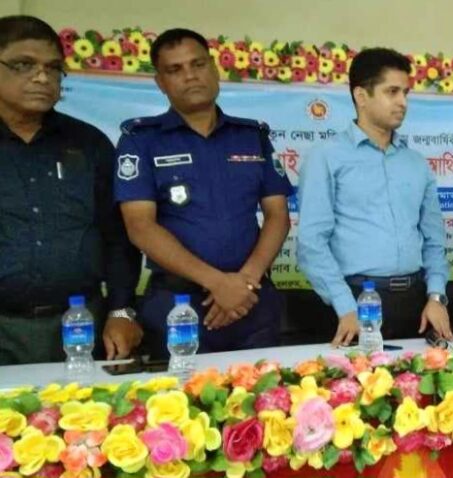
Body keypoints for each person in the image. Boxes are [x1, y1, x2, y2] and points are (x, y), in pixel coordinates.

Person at [115, 28, 293, 357]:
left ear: (214, 68)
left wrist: (244, 283)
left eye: (198, 64)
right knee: (182, 392)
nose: (190, 76)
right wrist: (218, 283)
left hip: (253, 300)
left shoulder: (251, 136)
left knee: (266, 389)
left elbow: (278, 215)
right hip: (178, 306)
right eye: (175, 69)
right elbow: (140, 226)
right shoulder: (141, 140)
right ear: (160, 82)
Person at [0, 15, 140, 364]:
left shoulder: (89, 144)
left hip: (79, 323)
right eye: (23, 65)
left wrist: (121, 311)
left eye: (53, 67)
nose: (42, 77)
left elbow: (118, 237)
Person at [298, 47, 453, 346]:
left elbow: (434, 240)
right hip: (353, 305)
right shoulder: (326, 157)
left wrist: (436, 296)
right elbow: (311, 242)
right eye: (392, 92)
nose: (402, 102)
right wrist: (345, 306)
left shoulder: (416, 163)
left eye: (405, 93)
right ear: (361, 96)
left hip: (417, 306)